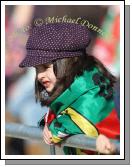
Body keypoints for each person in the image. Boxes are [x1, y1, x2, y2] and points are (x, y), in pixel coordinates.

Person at [19, 23, 120, 155]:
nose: (40, 75)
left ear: (69, 63)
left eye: (45, 67)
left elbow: (84, 115)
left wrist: (54, 128)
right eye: (37, 69)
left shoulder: (91, 92)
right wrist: (48, 123)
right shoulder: (72, 93)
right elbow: (62, 113)